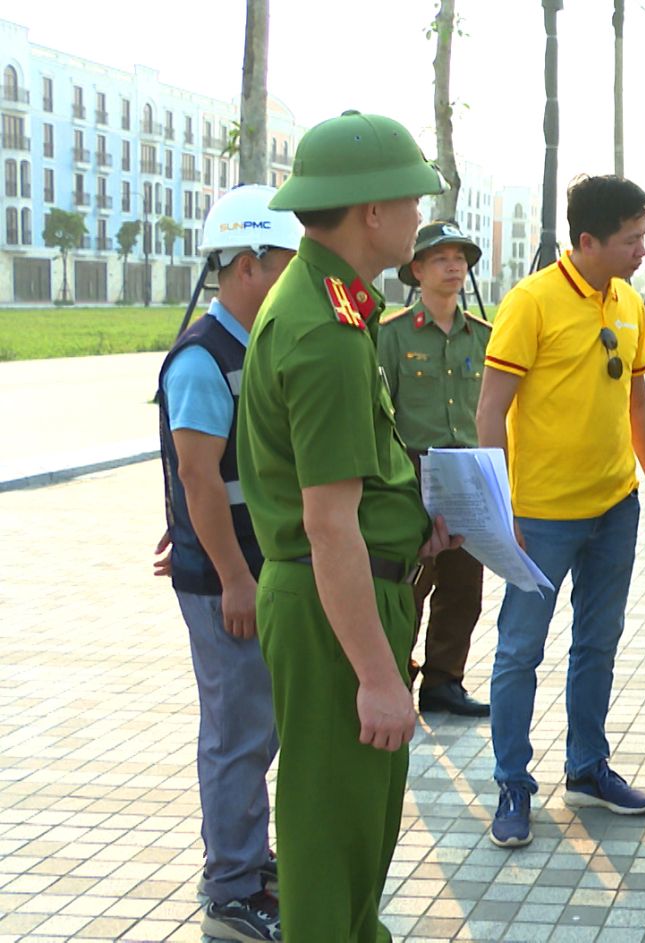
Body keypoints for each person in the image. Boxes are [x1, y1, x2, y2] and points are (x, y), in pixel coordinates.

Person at [236, 110, 461, 943]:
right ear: (371, 211)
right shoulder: (327, 331)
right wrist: (376, 675)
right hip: (338, 610)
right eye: (410, 201)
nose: (417, 217)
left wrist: (410, 528)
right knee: (333, 837)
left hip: (349, 594)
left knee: (356, 828)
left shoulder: (334, 306)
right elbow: (327, 524)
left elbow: (350, 496)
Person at [477, 175, 645, 847]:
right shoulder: (530, 303)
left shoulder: (627, 301)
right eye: (630, 240)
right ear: (587, 240)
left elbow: (637, 400)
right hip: (539, 518)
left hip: (614, 506)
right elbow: (489, 414)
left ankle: (588, 767)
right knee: (519, 649)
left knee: (597, 642)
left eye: (644, 237)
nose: (640, 250)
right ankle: (512, 782)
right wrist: (499, 510)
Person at [156, 184, 299, 943]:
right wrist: (231, 574)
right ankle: (234, 887)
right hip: (230, 581)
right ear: (247, 263)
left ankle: (247, 856)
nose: (290, 276)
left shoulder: (250, 348)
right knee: (238, 733)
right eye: (283, 261)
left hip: (246, 567)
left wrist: (190, 534)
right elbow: (198, 475)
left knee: (255, 728)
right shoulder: (203, 360)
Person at [376, 221, 492, 718]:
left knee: (464, 585)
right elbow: (380, 410)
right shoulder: (393, 335)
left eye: (460, 258)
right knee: (409, 581)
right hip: (412, 471)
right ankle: (395, 673)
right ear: (416, 270)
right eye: (441, 258)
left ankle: (445, 681)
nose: (453, 266)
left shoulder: (486, 337)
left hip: (468, 471)